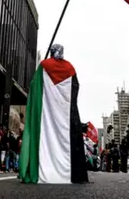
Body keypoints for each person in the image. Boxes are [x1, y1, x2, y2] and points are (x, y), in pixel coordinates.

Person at [19, 44, 88, 184]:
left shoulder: (44, 65)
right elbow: (75, 88)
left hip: (46, 115)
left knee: (43, 139)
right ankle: (71, 175)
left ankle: (41, 170)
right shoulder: (70, 68)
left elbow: (34, 87)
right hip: (66, 115)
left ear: (51, 52)